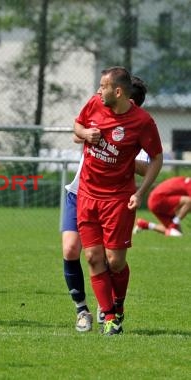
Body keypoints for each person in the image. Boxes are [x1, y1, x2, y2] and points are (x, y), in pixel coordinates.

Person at [73, 66, 163, 336]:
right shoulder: (93, 103)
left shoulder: (142, 122)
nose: (99, 91)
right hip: (88, 193)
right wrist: (85, 134)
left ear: (118, 91)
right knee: (92, 256)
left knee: (115, 262)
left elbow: (157, 158)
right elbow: (77, 126)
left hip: (118, 199)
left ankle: (118, 306)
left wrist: (140, 192)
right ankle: (110, 316)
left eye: (104, 86)